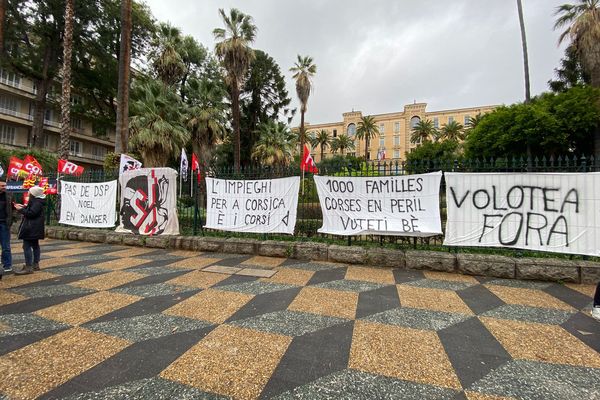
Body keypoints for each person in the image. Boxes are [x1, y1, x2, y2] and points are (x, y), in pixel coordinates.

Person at [14, 186, 46, 275]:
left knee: (26, 246)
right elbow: (32, 210)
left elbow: (31, 214)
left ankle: (29, 267)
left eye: (30, 191)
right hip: (35, 228)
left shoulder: (36, 202)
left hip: (31, 228)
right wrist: (24, 207)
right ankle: (35, 264)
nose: (28, 192)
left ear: (33, 194)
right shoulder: (38, 201)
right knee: (35, 245)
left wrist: (21, 210)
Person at [0, 179, 13, 280]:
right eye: (2, 186)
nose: (4, 187)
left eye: (5, 186)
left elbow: (14, 207)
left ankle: (7, 265)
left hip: (4, 223)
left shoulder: (8, 195)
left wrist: (13, 218)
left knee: (6, 246)